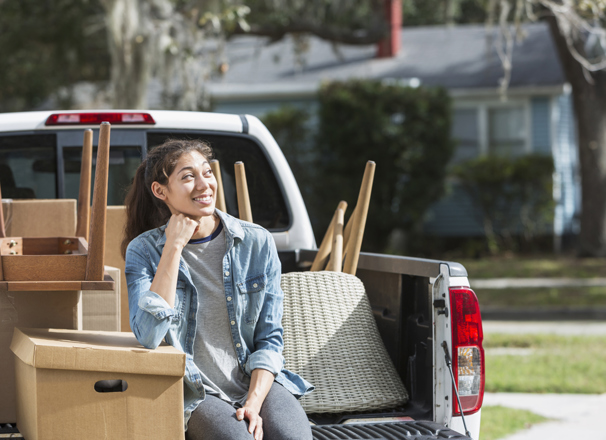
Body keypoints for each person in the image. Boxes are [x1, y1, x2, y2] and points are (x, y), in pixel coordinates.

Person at [121, 139, 313, 440]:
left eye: (207, 173)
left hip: (256, 378)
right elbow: (148, 334)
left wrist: (254, 400)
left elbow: (270, 338)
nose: (204, 185)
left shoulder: (257, 242)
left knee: (293, 438)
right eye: (187, 177)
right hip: (196, 390)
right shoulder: (143, 251)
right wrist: (173, 246)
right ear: (160, 191)